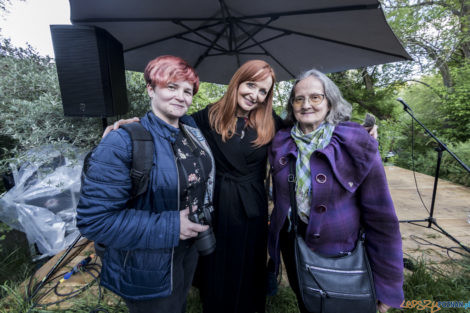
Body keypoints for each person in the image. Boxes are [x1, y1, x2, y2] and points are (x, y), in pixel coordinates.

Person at [104, 60, 379, 313]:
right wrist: (135, 123)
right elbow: (168, 119)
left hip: (252, 206)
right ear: (238, 82)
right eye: (251, 85)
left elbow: (311, 124)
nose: (255, 95)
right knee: (217, 267)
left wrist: (353, 131)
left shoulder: (270, 123)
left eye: (263, 91)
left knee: (249, 265)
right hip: (218, 204)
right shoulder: (206, 117)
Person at [76, 55, 215, 313]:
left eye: (187, 91)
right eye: (171, 87)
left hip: (185, 252)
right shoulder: (121, 142)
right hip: (147, 264)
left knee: (179, 305)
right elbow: (94, 221)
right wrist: (173, 225)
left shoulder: (189, 129)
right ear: (151, 89)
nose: (181, 97)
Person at [267, 69, 404, 313]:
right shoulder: (280, 140)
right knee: (308, 303)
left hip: (340, 252)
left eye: (315, 97)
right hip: (292, 244)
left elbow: (382, 219)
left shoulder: (356, 143)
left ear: (330, 101)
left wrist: (387, 285)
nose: (306, 104)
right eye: (299, 98)